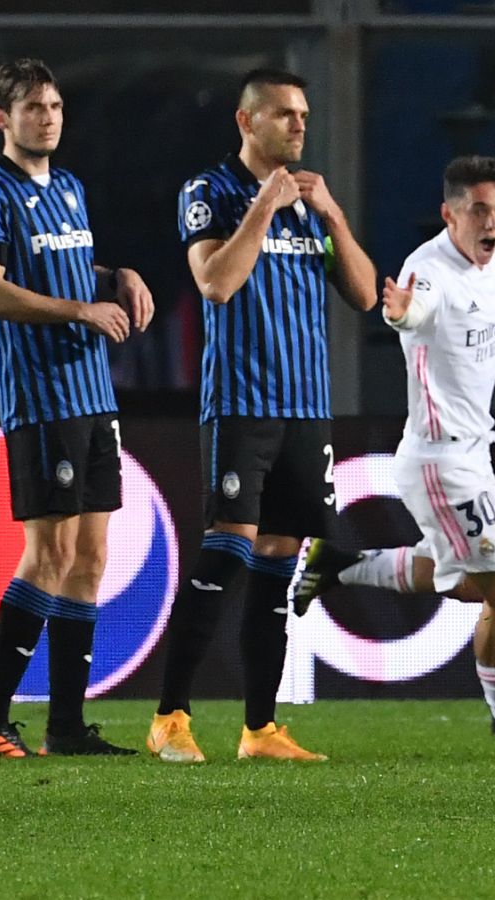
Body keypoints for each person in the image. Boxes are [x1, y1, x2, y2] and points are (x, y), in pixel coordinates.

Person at [293, 156, 495, 739]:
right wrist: (401, 314)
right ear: (449, 214)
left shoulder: (490, 264)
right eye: (479, 210)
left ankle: (341, 566)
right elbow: (415, 307)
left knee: (468, 583)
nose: (491, 221)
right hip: (440, 461)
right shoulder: (429, 269)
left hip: (473, 454)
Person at [149, 67, 377, 763]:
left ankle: (259, 729)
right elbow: (215, 282)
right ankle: (170, 717)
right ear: (247, 123)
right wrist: (262, 209)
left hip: (307, 407)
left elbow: (366, 295)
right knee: (228, 548)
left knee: (279, 559)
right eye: (284, 114)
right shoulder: (209, 192)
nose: (300, 125)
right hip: (243, 405)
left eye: (303, 114)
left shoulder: (312, 205)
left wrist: (333, 215)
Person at [0, 59, 153, 757]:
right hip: (41, 398)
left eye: (56, 105)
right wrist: (80, 308)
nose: (48, 117)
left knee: (92, 558)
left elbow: (68, 267)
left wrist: (117, 276)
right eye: (34, 107)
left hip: (92, 395)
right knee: (51, 553)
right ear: (1, 119)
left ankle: (65, 727)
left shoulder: (68, 187)